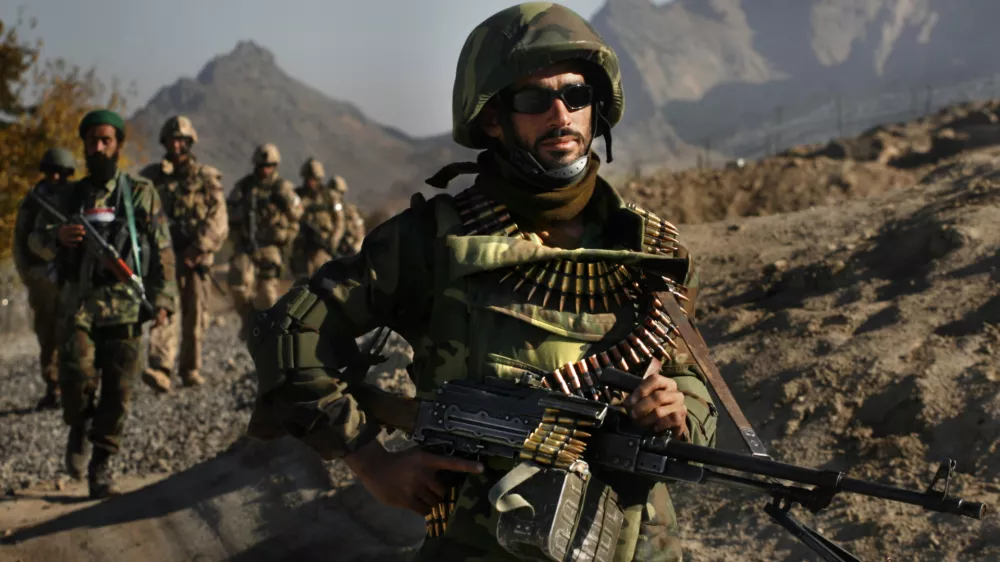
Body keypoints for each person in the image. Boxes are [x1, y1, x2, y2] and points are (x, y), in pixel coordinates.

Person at [245, 4, 717, 561]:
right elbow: (290, 333)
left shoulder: (649, 250)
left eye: (577, 95)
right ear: (493, 118)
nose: (561, 113)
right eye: (533, 99)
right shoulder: (432, 243)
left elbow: (699, 393)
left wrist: (677, 409)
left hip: (638, 546)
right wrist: (369, 462)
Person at [31, 109, 176, 498]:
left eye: (105, 140)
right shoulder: (69, 196)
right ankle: (78, 425)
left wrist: (163, 300)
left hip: (127, 306)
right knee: (76, 379)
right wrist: (58, 237)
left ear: (118, 145)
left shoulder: (140, 192)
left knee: (119, 391)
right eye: (91, 140)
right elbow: (36, 241)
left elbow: (162, 250)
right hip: (79, 306)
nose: (97, 147)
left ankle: (102, 464)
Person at [140, 116, 228, 392]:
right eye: (171, 140)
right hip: (164, 259)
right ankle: (160, 368)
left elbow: (219, 220)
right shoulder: (152, 178)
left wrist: (198, 247)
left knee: (195, 318)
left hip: (196, 259)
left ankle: (190, 369)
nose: (176, 145)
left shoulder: (206, 178)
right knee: (164, 311)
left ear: (190, 143)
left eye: (181, 140)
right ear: (164, 142)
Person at [13, 147, 77, 410]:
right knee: (47, 335)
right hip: (42, 278)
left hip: (70, 277)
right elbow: (20, 242)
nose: (56, 178)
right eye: (52, 172)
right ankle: (54, 387)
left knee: (73, 332)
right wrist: (29, 275)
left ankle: (77, 386)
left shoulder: (75, 197)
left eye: (62, 173)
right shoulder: (32, 202)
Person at [226, 143, 303, 339]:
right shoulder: (244, 187)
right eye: (261, 166)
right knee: (238, 285)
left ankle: (267, 329)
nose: (265, 170)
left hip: (271, 246)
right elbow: (228, 212)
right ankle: (249, 321)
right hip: (246, 244)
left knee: (268, 293)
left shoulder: (282, 188)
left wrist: (282, 205)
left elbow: (297, 214)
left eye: (269, 166)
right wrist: (241, 215)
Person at [291, 158, 343, 277]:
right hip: (303, 249)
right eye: (308, 178)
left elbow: (340, 221)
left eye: (314, 179)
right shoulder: (296, 196)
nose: (311, 182)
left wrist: (333, 240)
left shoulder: (330, 197)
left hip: (323, 248)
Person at [328, 176, 365, 256]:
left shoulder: (350, 211)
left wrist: (354, 250)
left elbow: (360, 236)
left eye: (339, 192)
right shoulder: (326, 210)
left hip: (348, 252)